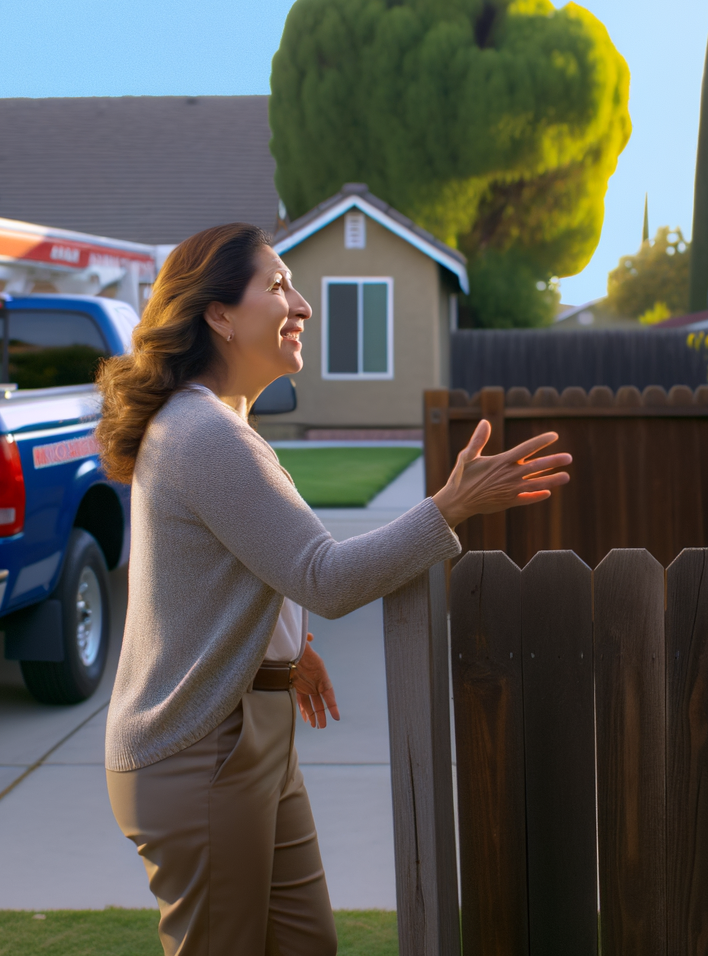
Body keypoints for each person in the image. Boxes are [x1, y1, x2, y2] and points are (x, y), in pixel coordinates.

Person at [97, 223, 571, 956]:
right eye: (278, 285)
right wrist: (450, 507)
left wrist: (283, 646)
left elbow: (237, 567)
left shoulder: (216, 424)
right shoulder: (202, 433)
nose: (303, 303)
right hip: (202, 752)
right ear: (218, 315)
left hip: (245, 736)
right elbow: (325, 576)